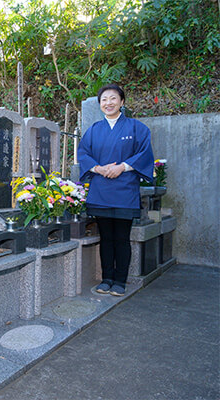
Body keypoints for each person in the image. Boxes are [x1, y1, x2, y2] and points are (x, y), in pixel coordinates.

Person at [77, 84, 154, 296]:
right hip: (101, 188)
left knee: (122, 237)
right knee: (106, 237)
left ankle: (120, 281)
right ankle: (106, 279)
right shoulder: (93, 130)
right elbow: (83, 154)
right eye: (104, 99)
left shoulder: (137, 128)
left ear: (122, 102)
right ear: (100, 104)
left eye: (113, 98)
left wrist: (122, 167)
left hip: (125, 189)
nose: (108, 103)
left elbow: (145, 153)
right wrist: (98, 168)